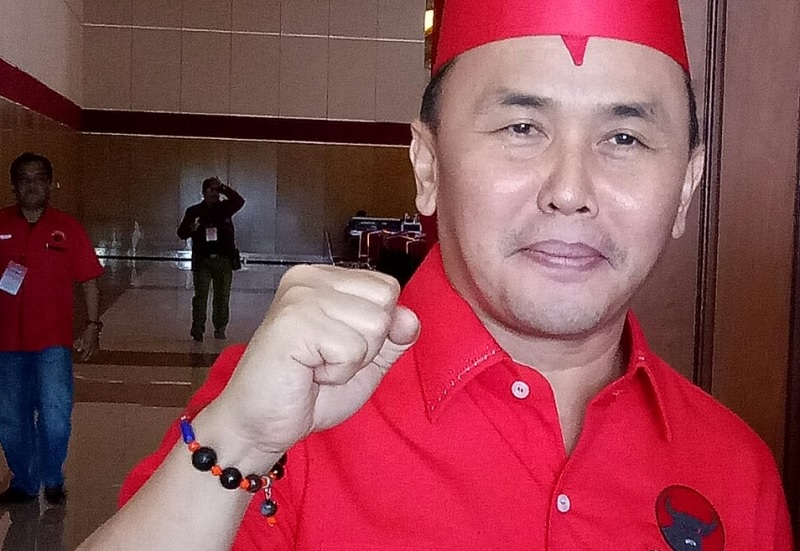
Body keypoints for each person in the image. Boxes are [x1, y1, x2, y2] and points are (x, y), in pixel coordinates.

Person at [79, 0, 793, 549]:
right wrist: (238, 438)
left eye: (625, 137)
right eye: (522, 128)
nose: (571, 190)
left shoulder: (737, 469)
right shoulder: (284, 414)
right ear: (427, 165)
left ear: (686, 188)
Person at [0, 152, 104, 506]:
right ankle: (24, 482)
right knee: (10, 419)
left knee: (56, 414)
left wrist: (92, 326)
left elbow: (89, 280)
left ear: (49, 184)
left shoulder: (67, 228)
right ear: (14, 185)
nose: (32, 185)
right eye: (25, 179)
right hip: (6, 344)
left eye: (39, 178)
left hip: (52, 343)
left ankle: (53, 477)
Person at [178, 177, 245, 342]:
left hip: (223, 260)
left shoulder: (225, 208)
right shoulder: (194, 211)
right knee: (200, 297)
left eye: (216, 190)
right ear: (203, 192)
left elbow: (239, 201)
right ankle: (197, 329)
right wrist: (191, 229)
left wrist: (223, 188)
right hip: (203, 260)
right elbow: (181, 233)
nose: (213, 193)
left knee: (222, 296)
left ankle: (220, 327)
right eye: (210, 190)